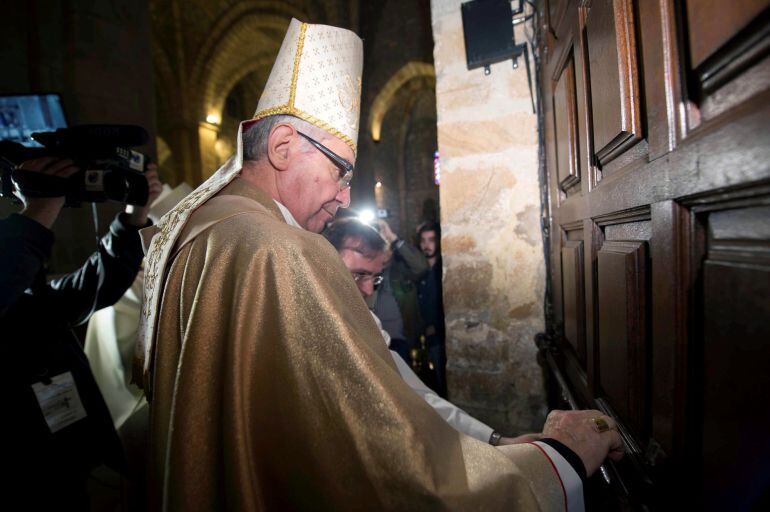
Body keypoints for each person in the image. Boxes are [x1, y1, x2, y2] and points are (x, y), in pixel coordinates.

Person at [138, 18, 623, 511]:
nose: (346, 195)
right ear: (283, 147)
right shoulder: (282, 251)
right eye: (340, 170)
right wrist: (558, 459)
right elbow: (390, 470)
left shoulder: (206, 230)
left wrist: (494, 445)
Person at [1, 157, 161, 509]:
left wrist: (134, 216)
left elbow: (88, 289)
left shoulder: (24, 303)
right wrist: (40, 209)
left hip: (70, 455)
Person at [324, 217, 544, 446]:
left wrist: (495, 440)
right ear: (325, 262)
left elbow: (417, 395)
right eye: (358, 274)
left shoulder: (367, 323)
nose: (369, 290)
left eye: (374, 277)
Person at [371, 218, 428, 364]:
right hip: (374, 341)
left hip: (399, 340)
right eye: (380, 245)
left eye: (386, 245)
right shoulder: (367, 272)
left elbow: (421, 266)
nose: (384, 250)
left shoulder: (401, 270)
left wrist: (392, 237)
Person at [417, 221, 448, 397]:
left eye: (431, 240)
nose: (426, 245)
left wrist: (435, 326)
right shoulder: (418, 270)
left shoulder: (443, 269)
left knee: (443, 383)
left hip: (439, 337)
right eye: (423, 240)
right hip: (422, 337)